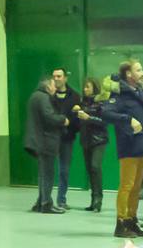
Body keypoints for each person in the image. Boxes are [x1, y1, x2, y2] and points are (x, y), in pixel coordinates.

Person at [101, 59, 143, 238]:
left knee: (136, 186)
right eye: (138, 70)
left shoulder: (138, 92)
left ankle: (132, 220)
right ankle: (121, 222)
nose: (141, 73)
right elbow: (106, 113)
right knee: (127, 185)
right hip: (129, 145)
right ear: (129, 74)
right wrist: (127, 119)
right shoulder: (120, 95)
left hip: (142, 145)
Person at [22, 72, 67, 215]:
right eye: (53, 84)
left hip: (38, 140)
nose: (55, 87)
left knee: (42, 172)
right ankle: (46, 203)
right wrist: (62, 119)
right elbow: (49, 117)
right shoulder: (44, 98)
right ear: (48, 85)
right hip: (47, 140)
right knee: (48, 173)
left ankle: (41, 201)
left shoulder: (34, 96)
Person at [70, 75, 110, 213]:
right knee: (89, 170)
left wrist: (89, 118)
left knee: (95, 166)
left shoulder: (101, 102)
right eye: (84, 87)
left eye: (88, 86)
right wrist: (75, 112)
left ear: (94, 87)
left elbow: (104, 121)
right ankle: (93, 200)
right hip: (86, 140)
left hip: (99, 140)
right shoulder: (82, 103)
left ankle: (98, 199)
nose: (85, 89)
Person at [48, 66, 76, 211]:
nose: (56, 79)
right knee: (48, 169)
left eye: (59, 76)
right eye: (54, 76)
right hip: (51, 137)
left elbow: (77, 119)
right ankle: (46, 199)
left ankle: (61, 199)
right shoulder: (48, 96)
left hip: (67, 138)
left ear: (65, 78)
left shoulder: (74, 96)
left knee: (64, 170)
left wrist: (70, 124)